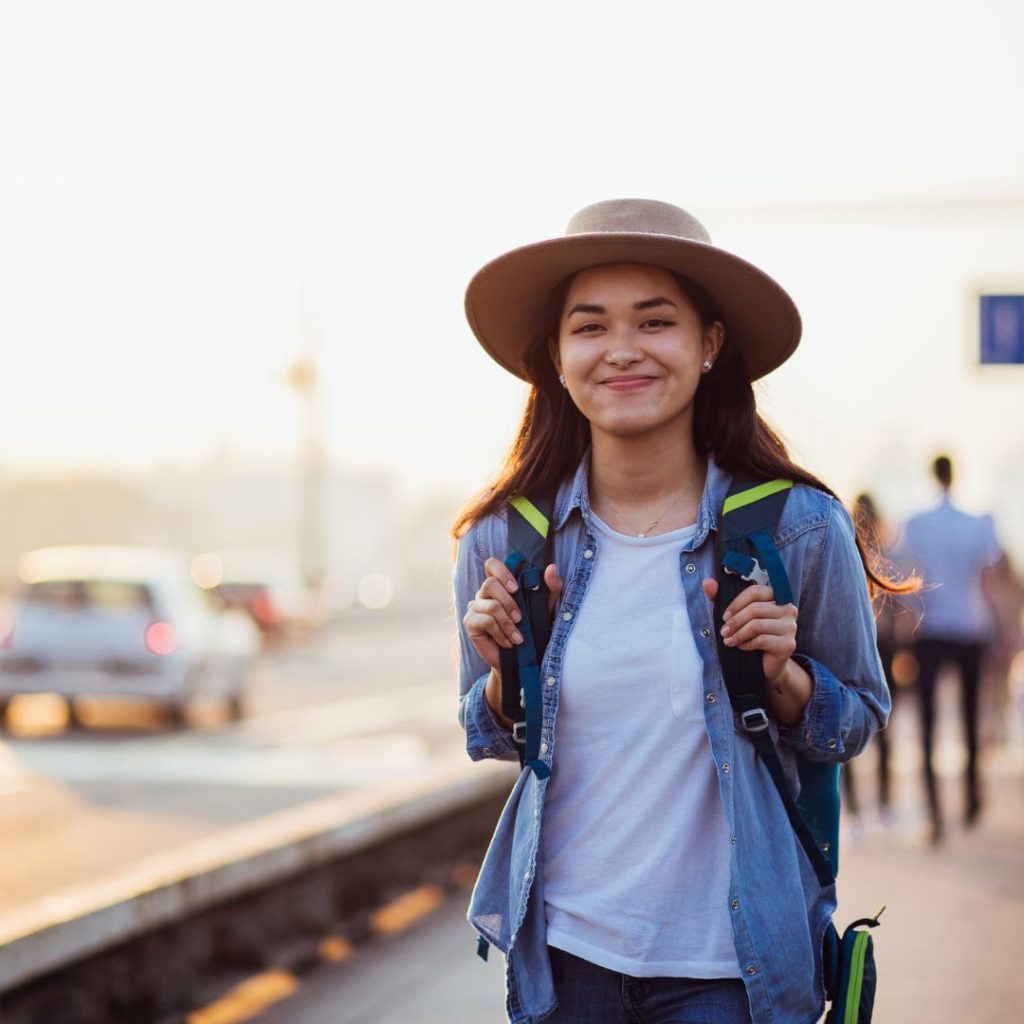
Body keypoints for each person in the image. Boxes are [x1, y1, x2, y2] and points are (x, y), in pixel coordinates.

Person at [453, 199, 902, 1024]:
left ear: (709, 345)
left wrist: (786, 679)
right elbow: (487, 735)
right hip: (564, 960)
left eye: (655, 322)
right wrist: (499, 678)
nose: (621, 350)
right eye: (589, 327)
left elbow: (859, 721)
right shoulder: (504, 538)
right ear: (556, 355)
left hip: (734, 968)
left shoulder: (799, 528)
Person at [898, 455, 1004, 842]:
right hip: (970, 627)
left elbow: (908, 578)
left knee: (928, 722)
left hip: (931, 629)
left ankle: (935, 810)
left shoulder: (916, 523)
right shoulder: (977, 523)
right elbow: (989, 576)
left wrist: (908, 619)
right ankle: (972, 794)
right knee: (970, 716)